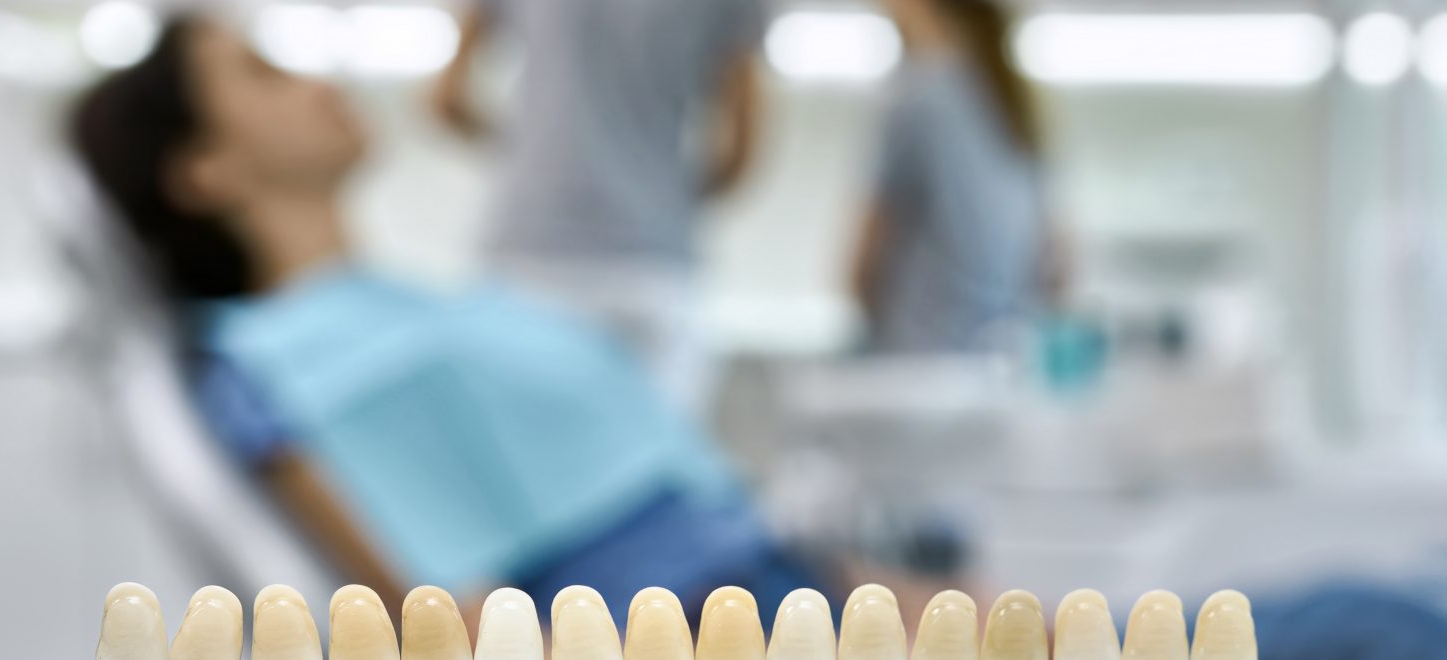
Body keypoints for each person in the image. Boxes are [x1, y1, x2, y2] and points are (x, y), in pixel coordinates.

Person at [70, 15, 817, 627]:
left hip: (778, 591)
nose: (320, 83)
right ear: (206, 170)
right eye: (268, 75)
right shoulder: (260, 366)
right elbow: (441, 631)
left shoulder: (432, 307)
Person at [431, 0, 766, 414]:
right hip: (649, 267)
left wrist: (526, 153)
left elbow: (445, 100)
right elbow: (740, 151)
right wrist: (663, 196)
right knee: (654, 461)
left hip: (526, 254)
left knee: (522, 458)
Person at [851, 0, 1068, 354]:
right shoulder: (1020, 103)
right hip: (1004, 366)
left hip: (917, 367)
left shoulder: (914, 99)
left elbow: (861, 271)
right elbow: (1058, 269)